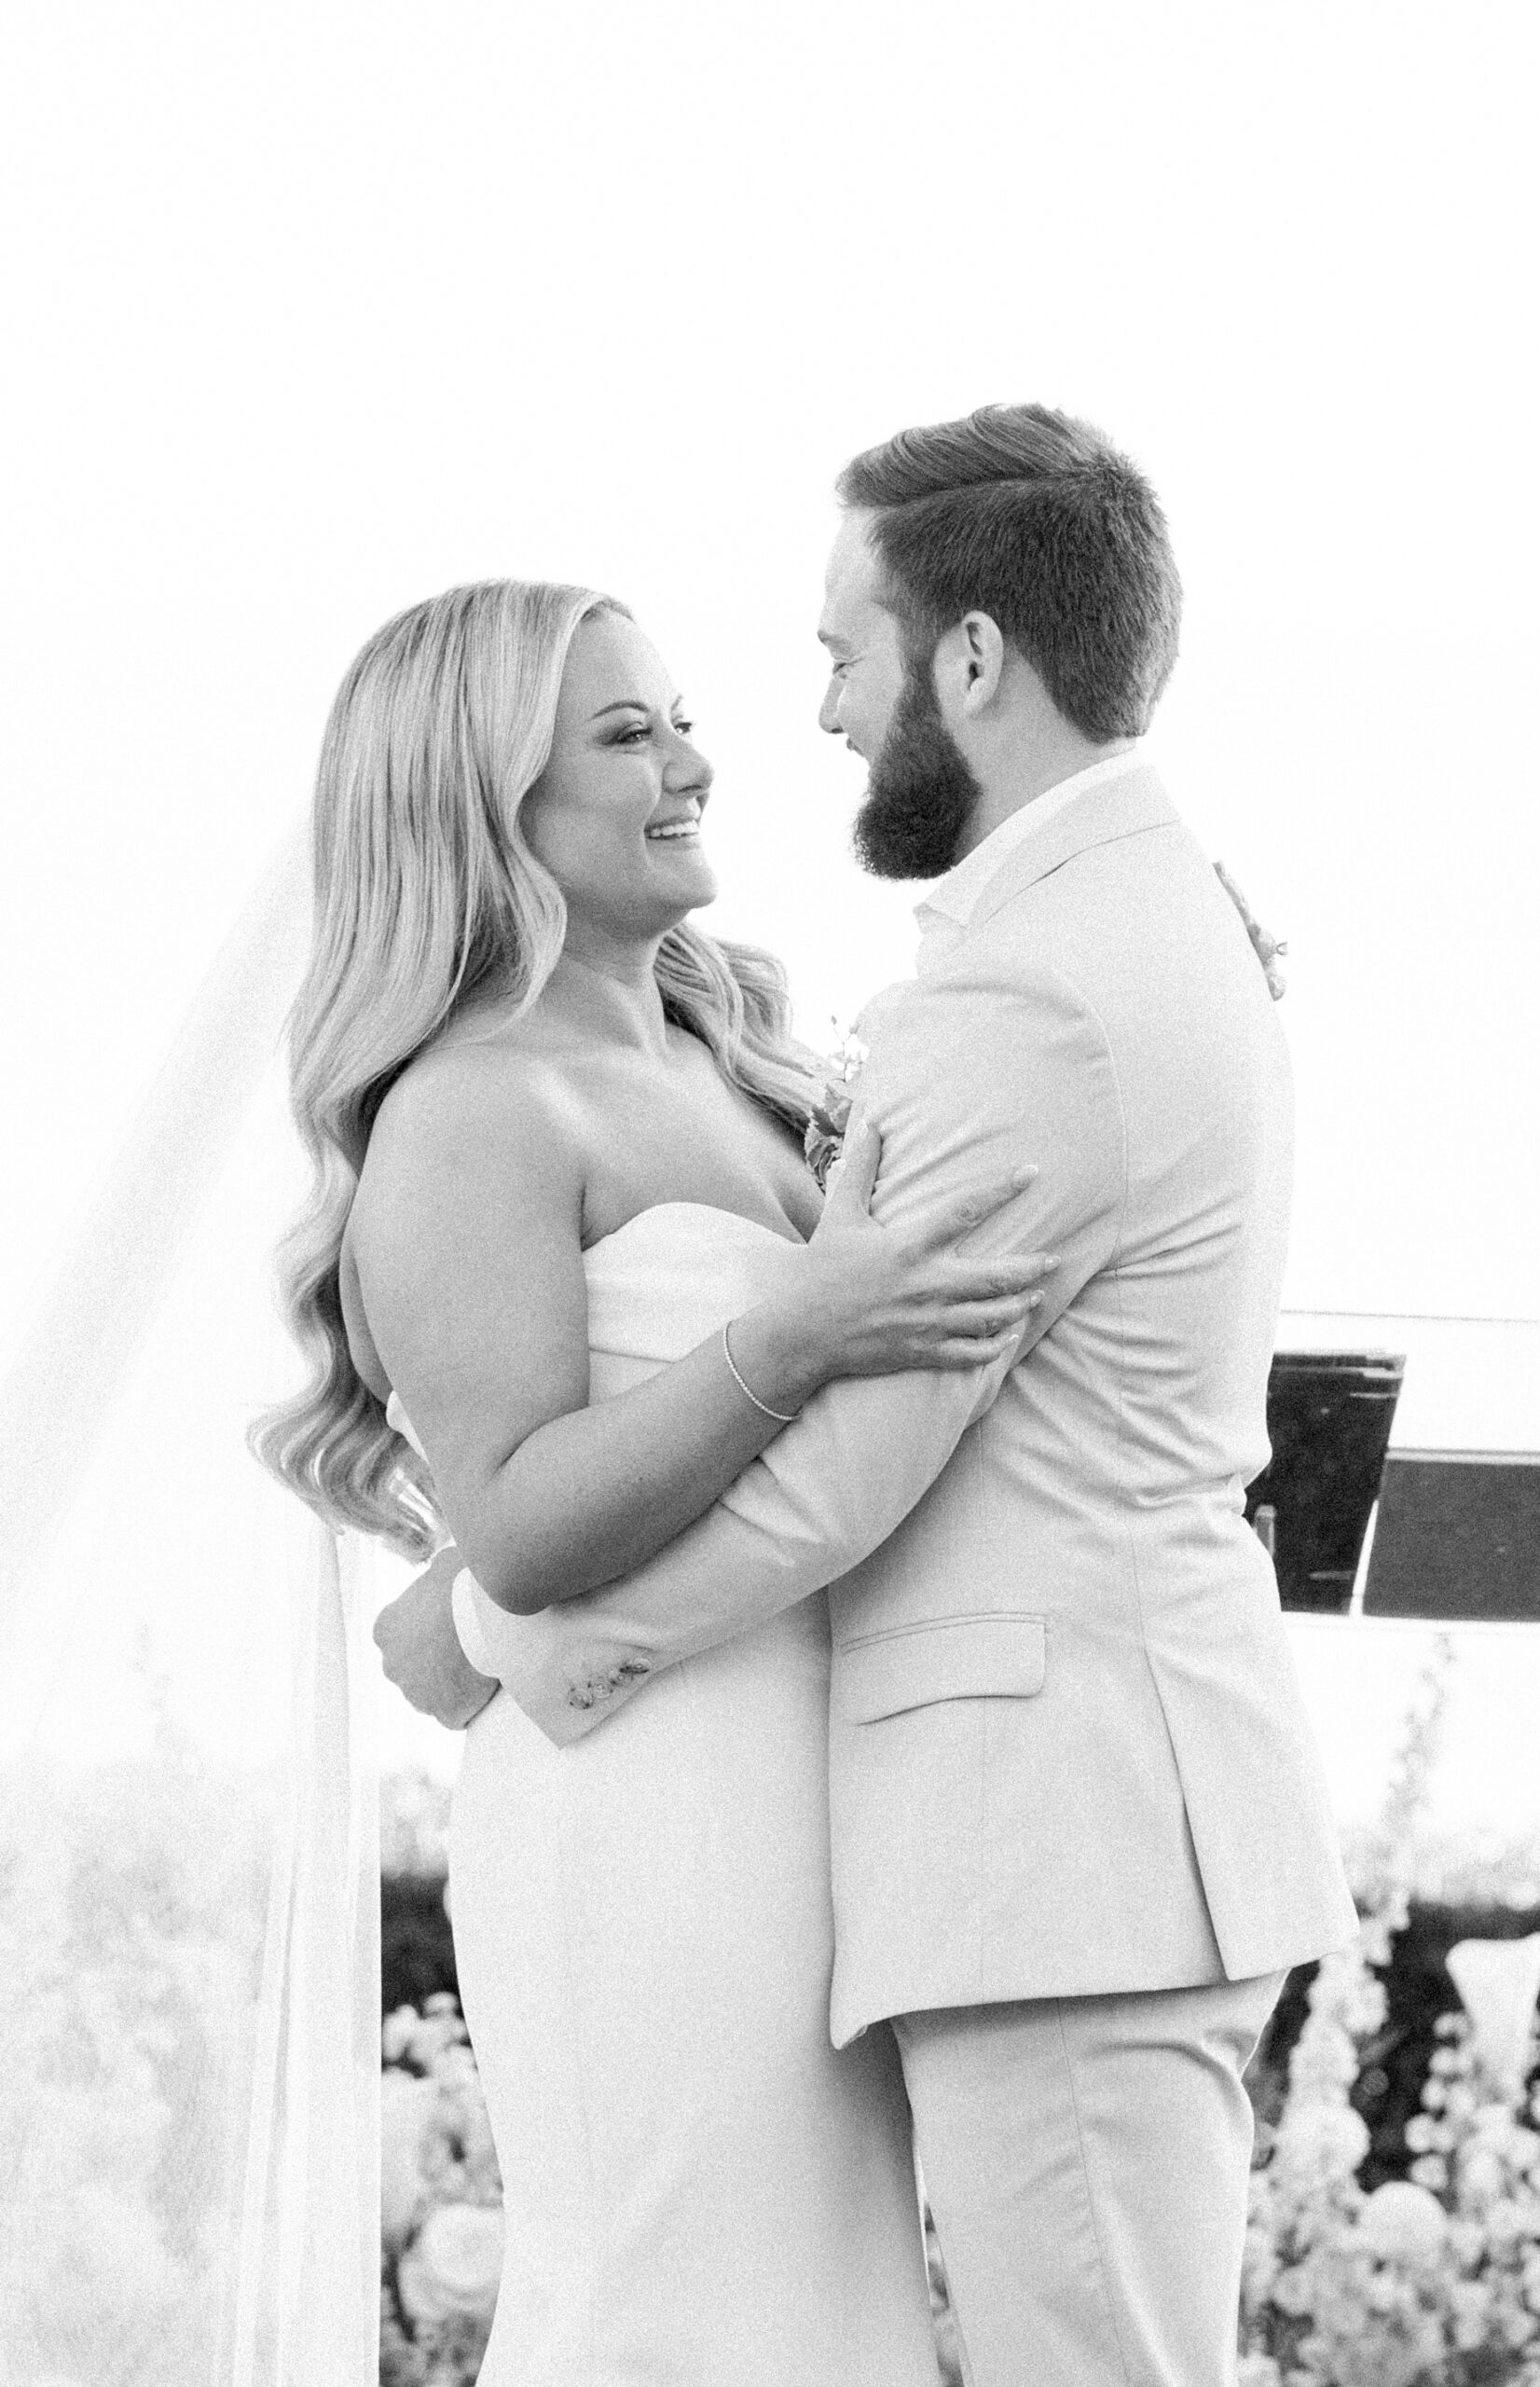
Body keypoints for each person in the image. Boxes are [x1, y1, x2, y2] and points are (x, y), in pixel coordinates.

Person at [379, 404, 1359, 2386]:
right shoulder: (1110, 926)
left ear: (971, 658)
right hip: (808, 1827)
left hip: (1036, 1834)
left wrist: (504, 1628)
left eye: (838, 651)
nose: (788, 717)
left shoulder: (1020, 987)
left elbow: (847, 1479)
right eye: (628, 730)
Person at [253, 575, 1066, 2383]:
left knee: (820, 2313)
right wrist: (796, 1334)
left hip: (812, 1800)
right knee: (683, 2304)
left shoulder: (724, 1058)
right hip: (644, 1822)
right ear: (478, 803)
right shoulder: (473, 1107)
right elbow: (524, 1527)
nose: (692, 759)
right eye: (623, 733)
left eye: (680, 714)